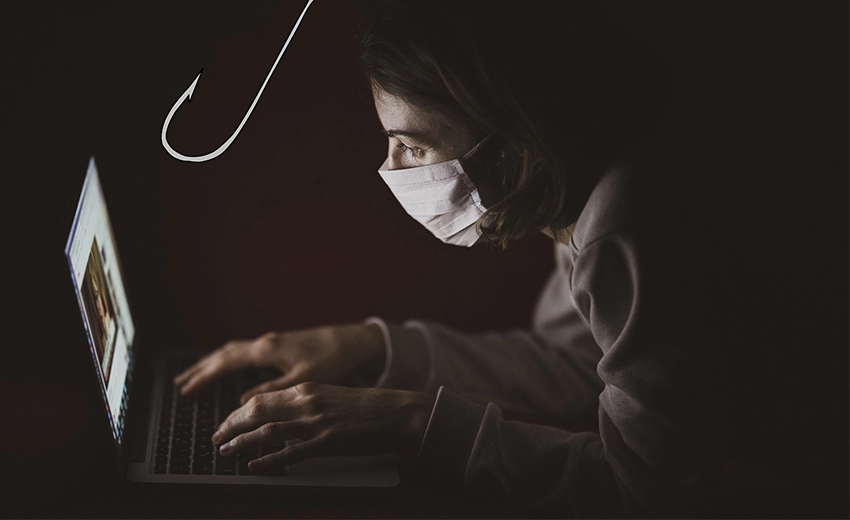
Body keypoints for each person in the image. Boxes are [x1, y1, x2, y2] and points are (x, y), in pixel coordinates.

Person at [174, 1, 847, 517]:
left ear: (508, 143)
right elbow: (578, 364)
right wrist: (368, 348)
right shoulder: (587, 186)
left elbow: (647, 490)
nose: (390, 168)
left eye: (409, 145)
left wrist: (407, 424)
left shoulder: (629, 225)